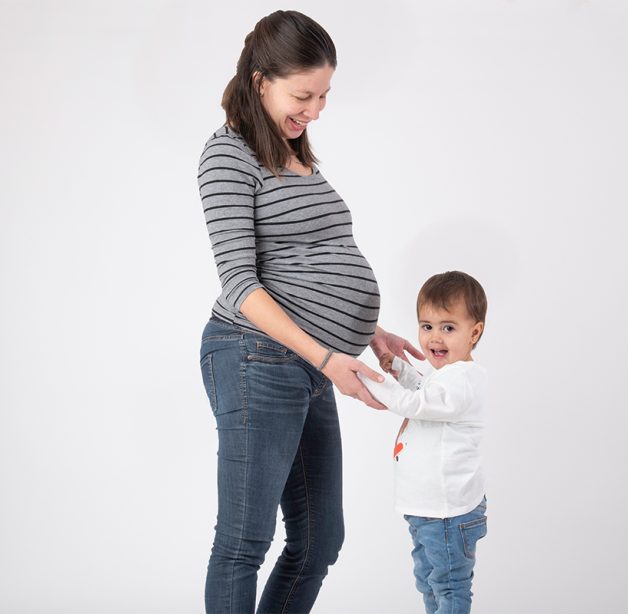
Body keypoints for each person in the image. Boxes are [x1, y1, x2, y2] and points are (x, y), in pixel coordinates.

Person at [197, 10, 423, 614]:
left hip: (312, 363)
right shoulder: (227, 155)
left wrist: (370, 331)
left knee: (321, 540)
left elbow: (308, 258)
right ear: (259, 79)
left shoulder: (297, 155)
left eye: (325, 94)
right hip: (255, 355)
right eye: (304, 95)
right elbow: (242, 284)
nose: (316, 110)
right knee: (244, 541)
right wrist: (328, 355)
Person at [358, 271, 489, 614]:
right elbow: (422, 390)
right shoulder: (445, 377)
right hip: (426, 509)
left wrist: (366, 378)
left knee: (448, 587)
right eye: (427, 326)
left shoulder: (463, 380)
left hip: (447, 512)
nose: (435, 337)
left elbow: (415, 403)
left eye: (448, 327)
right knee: (428, 581)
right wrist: (397, 368)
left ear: (475, 332)